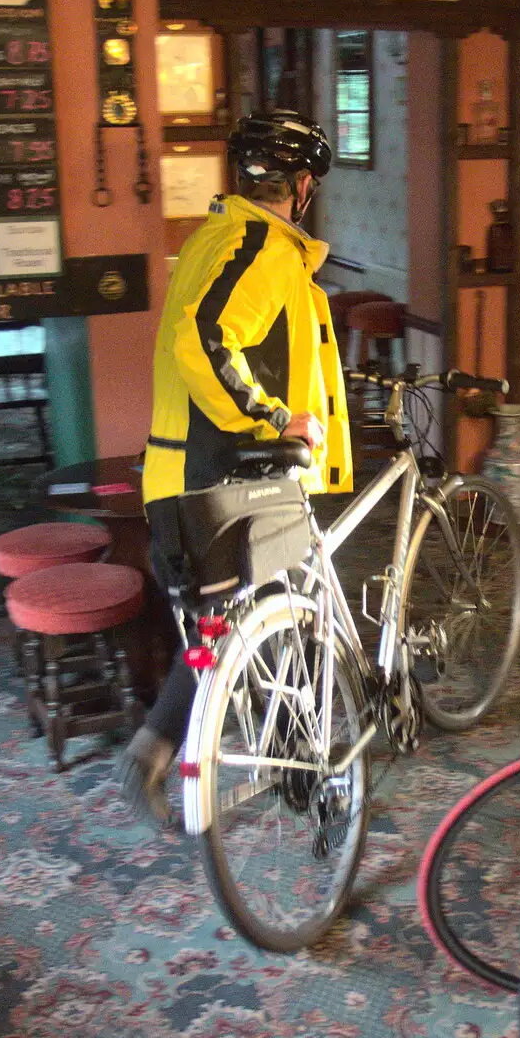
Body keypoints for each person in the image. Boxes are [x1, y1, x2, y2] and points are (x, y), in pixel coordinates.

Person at [119, 110, 352, 824]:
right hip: (231, 481)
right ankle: (294, 765)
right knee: (272, 622)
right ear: (304, 185)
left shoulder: (215, 239)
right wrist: (276, 419)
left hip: (186, 478)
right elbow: (205, 339)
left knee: (225, 634)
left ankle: (157, 750)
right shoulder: (264, 245)